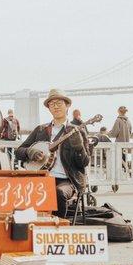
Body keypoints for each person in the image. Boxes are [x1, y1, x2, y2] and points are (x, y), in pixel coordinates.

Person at [15, 89, 90, 218]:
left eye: (59, 103)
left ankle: (56, 230)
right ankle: (26, 229)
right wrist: (30, 152)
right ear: (49, 108)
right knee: (18, 190)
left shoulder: (78, 132)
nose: (55, 106)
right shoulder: (40, 130)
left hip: (67, 180)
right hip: (40, 178)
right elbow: (18, 152)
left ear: (67, 105)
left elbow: (84, 163)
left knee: (58, 193)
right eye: (52, 103)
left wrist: (79, 148)